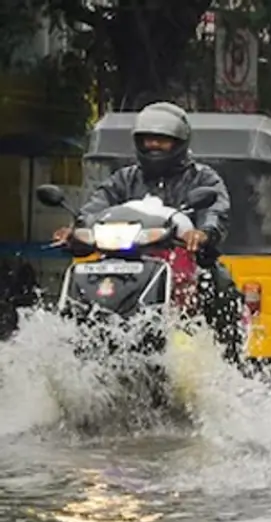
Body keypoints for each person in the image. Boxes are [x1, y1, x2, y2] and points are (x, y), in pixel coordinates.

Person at [52, 102, 240, 356]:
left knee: (219, 282)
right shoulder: (124, 178)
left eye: (162, 140)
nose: (153, 145)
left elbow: (216, 209)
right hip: (122, 258)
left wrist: (204, 232)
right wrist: (77, 230)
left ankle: (226, 359)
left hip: (183, 260)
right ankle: (66, 344)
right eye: (148, 139)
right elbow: (96, 207)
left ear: (179, 142)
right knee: (84, 278)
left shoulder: (202, 178)